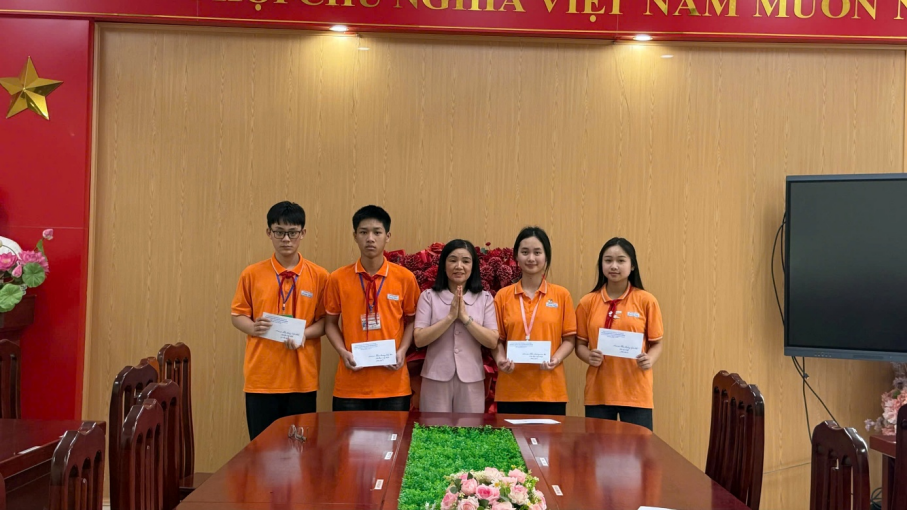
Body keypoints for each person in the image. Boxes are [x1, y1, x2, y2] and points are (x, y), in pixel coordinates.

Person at [231, 201, 329, 440]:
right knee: (262, 449)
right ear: (269, 232)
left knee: (300, 451)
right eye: (279, 232)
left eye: (292, 232)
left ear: (303, 233)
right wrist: (253, 327)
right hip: (261, 379)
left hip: (302, 379)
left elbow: (325, 322)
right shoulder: (252, 274)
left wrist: (304, 334)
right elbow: (237, 315)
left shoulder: (319, 276)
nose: (286, 239)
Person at [324, 205, 420, 412]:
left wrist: (402, 351)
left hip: (393, 385)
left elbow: (412, 321)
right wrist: (342, 352)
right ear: (355, 236)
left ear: (388, 236)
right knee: (346, 435)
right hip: (350, 386)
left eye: (377, 232)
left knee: (394, 435)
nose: (370, 238)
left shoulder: (405, 278)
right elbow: (330, 323)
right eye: (363, 232)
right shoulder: (337, 278)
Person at [575, 237, 664, 431]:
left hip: (636, 392)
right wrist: (588, 356)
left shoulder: (646, 300)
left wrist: (649, 359)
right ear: (601, 265)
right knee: (596, 448)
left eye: (621, 260)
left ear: (632, 266)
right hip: (599, 392)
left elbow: (657, 343)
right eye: (608, 260)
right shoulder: (587, 302)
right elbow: (579, 345)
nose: (614, 266)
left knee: (638, 448)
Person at [492, 227, 576, 416]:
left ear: (546, 256)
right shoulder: (503, 296)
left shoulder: (561, 295)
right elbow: (496, 340)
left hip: (550, 390)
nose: (531, 258)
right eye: (525, 252)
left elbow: (570, 339)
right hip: (511, 390)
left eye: (537, 252)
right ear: (516, 256)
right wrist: (500, 360)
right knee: (510, 437)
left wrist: (556, 359)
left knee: (551, 437)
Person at [413, 240, 499, 413]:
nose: (459, 266)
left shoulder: (484, 298)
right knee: (434, 429)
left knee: (469, 428)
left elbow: (492, 341)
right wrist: (450, 317)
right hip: (435, 376)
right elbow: (419, 339)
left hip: (471, 378)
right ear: (444, 265)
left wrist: (465, 318)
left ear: (473, 267)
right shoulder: (429, 296)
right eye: (452, 260)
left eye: (466, 261)